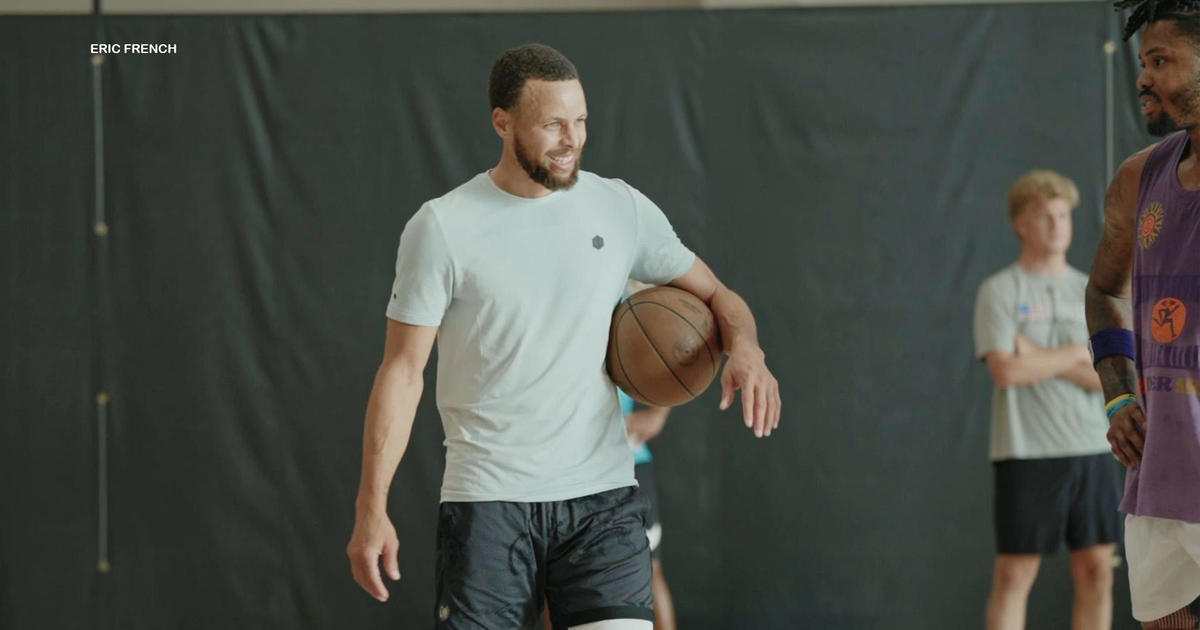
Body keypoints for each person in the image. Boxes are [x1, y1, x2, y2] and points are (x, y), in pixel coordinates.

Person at [345, 43, 781, 630]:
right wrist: (372, 504)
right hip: (488, 502)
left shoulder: (618, 207)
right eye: (552, 124)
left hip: (601, 499)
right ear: (502, 122)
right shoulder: (443, 227)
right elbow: (401, 372)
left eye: (580, 121)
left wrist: (747, 349)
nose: (571, 138)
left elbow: (719, 297)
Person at [1088, 2, 1200, 626]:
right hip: (1160, 468)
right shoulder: (1139, 176)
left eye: (1161, 61)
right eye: (1142, 63)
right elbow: (1104, 290)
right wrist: (1117, 396)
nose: (1144, 78)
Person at [975, 170, 1120, 630]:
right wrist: (1080, 353)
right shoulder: (999, 290)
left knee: (1098, 571)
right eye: (1045, 216)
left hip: (1093, 449)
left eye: (1064, 215)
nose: (1058, 225)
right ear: (1022, 224)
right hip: (1026, 452)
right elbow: (1007, 371)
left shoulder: (1092, 291)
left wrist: (1039, 354)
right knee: (1015, 573)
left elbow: (1111, 378)